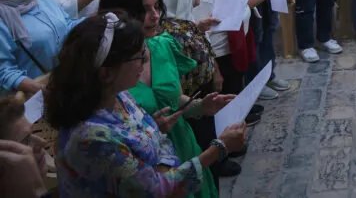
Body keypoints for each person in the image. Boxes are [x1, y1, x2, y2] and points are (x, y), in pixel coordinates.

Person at [47, 12, 247, 197]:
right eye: (139, 57)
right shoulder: (93, 139)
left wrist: (155, 130)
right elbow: (158, 190)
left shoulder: (118, 96)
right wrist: (219, 148)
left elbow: (147, 140)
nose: (144, 62)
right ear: (106, 73)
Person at [97, 0, 240, 197]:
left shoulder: (162, 45)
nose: (154, 16)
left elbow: (173, 99)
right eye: (144, 10)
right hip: (145, 163)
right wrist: (219, 149)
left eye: (157, 7)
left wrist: (201, 106)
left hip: (183, 145)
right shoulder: (109, 70)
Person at [190, 0, 276, 102]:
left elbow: (237, 9)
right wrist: (215, 71)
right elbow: (201, 38)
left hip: (232, 53)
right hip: (221, 59)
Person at [0, 0, 76, 93]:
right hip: (35, 97)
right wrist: (41, 89)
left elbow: (67, 24)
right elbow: (4, 71)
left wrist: (99, 23)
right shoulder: (3, 19)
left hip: (64, 82)